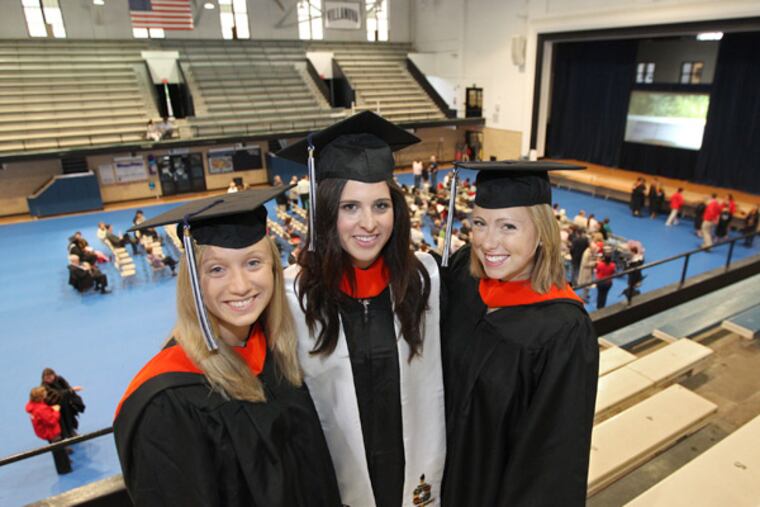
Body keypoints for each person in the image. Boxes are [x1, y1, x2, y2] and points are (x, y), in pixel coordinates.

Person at [113, 188, 341, 506]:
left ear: (274, 269)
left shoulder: (280, 353)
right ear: (192, 280)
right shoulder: (168, 403)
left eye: (253, 263)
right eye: (217, 269)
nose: (240, 285)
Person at [276, 112, 446, 507]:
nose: (368, 223)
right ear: (327, 210)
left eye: (380, 205)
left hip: (413, 477)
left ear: (396, 210)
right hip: (334, 483)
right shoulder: (293, 296)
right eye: (350, 206)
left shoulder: (427, 283)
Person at [441, 160, 598, 506]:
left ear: (542, 232)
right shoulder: (464, 278)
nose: (488, 242)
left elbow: (552, 462)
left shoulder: (563, 332)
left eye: (508, 226)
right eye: (479, 223)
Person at [26, 386, 72, 475]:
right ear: (40, 396)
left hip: (45, 432)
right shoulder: (41, 409)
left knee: (57, 449)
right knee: (58, 451)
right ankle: (64, 469)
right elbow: (52, 420)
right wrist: (56, 411)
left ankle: (65, 459)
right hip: (52, 433)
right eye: (44, 393)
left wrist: (49, 410)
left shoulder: (33, 406)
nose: (46, 394)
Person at [41, 368, 84, 439]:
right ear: (43, 378)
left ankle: (71, 431)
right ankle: (63, 435)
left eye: (50, 377)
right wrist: (71, 390)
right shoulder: (44, 387)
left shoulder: (60, 379)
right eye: (47, 378)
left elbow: (68, 387)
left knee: (69, 417)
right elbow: (56, 395)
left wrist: (71, 393)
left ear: (54, 375)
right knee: (61, 422)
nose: (49, 379)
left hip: (66, 404)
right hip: (55, 407)